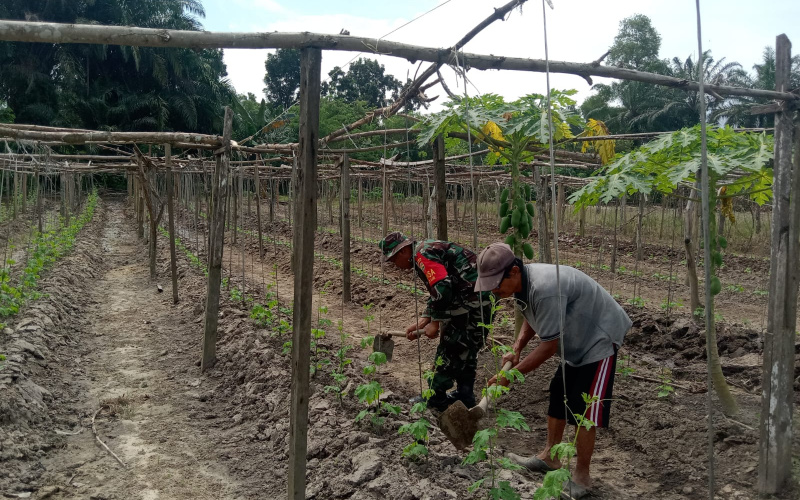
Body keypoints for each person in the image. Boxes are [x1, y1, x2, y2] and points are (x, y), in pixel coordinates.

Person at [474, 242, 631, 496]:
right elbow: (533, 316)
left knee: (584, 410)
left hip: (600, 338)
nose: (493, 290)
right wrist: (517, 347)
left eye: (495, 283)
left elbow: (548, 347)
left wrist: (509, 376)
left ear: (513, 272)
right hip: (576, 340)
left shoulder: (545, 287)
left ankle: (582, 476)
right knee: (559, 392)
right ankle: (550, 457)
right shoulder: (523, 287)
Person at [378, 232, 492, 412]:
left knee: (450, 347)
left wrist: (436, 323)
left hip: (470, 301)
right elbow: (439, 289)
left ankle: (435, 397)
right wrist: (424, 320)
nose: (395, 265)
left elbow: (442, 286)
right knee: (467, 346)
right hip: (478, 299)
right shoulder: (426, 249)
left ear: (402, 252)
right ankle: (465, 394)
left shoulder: (422, 254)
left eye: (393, 260)